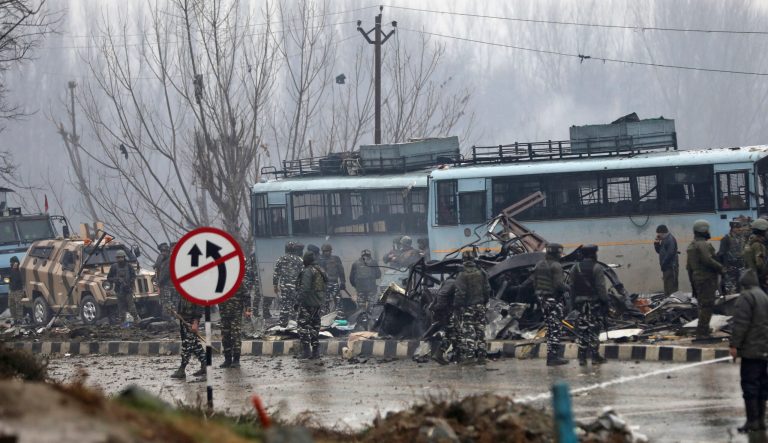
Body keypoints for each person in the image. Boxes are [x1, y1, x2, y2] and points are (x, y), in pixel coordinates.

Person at [730, 269, 768, 434]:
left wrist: (734, 345)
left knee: (750, 385)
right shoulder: (763, 296)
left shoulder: (746, 297)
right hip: (764, 349)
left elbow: (740, 324)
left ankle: (751, 421)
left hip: (751, 350)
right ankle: (760, 421)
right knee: (762, 386)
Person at [519, 243, 569, 366]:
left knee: (550, 327)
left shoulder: (539, 264)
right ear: (557, 253)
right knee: (555, 329)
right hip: (553, 299)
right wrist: (570, 288)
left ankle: (552, 356)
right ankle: (553, 357)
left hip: (542, 299)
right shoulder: (556, 266)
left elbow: (533, 282)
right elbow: (559, 285)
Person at [570, 244, 609, 366]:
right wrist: (605, 302)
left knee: (582, 330)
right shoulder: (597, 268)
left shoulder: (575, 268)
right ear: (593, 254)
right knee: (594, 329)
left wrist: (572, 304)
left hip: (579, 304)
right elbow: (601, 288)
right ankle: (594, 356)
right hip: (593, 303)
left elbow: (572, 288)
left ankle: (582, 357)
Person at [686, 219, 724, 339]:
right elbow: (708, 260)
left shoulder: (692, 245)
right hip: (706, 278)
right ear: (703, 230)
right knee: (707, 305)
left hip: (697, 278)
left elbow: (689, 268)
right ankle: (703, 333)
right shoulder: (702, 244)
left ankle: (703, 330)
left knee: (702, 305)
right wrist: (721, 268)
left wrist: (692, 283)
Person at [453, 250, 491, 364]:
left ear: (463, 259)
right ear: (473, 259)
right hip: (480, 305)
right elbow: (487, 289)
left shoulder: (462, 274)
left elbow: (460, 293)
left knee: (468, 332)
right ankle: (482, 357)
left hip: (468, 307)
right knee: (480, 331)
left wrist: (457, 306)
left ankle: (469, 357)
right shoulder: (481, 272)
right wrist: (485, 302)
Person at [219, 252, 252, 369]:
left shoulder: (238, 282)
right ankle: (227, 359)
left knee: (235, 336)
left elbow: (246, 296)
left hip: (235, 314)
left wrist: (247, 310)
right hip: (224, 314)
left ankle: (236, 359)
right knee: (225, 336)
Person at [296, 251, 327, 359]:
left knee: (302, 326)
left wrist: (298, 302)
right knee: (315, 326)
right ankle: (316, 351)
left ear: (306, 260)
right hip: (318, 303)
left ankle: (306, 351)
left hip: (307, 303)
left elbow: (305, 289)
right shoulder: (320, 269)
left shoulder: (308, 271)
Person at [171, 292, 206, 379]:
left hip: (191, 322)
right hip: (184, 321)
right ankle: (205, 365)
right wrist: (178, 313)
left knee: (187, 346)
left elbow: (199, 304)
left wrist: (195, 322)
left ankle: (182, 369)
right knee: (195, 345)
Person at [272, 242, 303, 326]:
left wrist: (275, 285)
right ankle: (294, 322)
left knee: (285, 304)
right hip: (296, 286)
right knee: (295, 304)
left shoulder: (281, 259)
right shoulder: (300, 260)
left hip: (284, 286)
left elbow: (276, 273)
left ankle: (283, 323)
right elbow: (303, 274)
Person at [349, 249, 381, 329]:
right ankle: (371, 326)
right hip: (371, 289)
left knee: (361, 308)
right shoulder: (373, 262)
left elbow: (351, 278)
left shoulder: (355, 263)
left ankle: (361, 326)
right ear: (369, 255)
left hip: (360, 289)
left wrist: (356, 286)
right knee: (371, 308)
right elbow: (378, 275)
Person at [107, 250, 139, 326]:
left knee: (131, 306)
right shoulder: (114, 267)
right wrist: (116, 280)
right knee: (121, 307)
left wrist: (129, 283)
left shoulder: (129, 266)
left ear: (124, 257)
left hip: (128, 289)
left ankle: (136, 319)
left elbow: (133, 276)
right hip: (119, 290)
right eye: (118, 258)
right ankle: (122, 322)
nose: (120, 259)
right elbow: (109, 278)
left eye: (121, 257)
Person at [718, 218, 749, 295]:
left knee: (741, 289)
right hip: (730, 269)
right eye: (737, 228)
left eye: (740, 227)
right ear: (732, 229)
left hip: (741, 267)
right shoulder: (726, 239)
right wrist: (725, 267)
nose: (740, 229)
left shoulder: (742, 238)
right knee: (731, 291)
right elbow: (722, 254)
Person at [431, 278, 457, 365]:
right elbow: (442, 295)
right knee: (452, 333)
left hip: (448, 311)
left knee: (454, 333)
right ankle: (438, 354)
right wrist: (441, 308)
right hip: (447, 312)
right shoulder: (452, 283)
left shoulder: (451, 282)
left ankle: (442, 354)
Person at [319, 243, 347, 319]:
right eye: (325, 251)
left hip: (334, 283)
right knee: (325, 302)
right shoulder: (319, 259)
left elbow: (341, 271)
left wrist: (343, 282)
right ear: (322, 251)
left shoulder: (336, 259)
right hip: (324, 284)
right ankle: (324, 318)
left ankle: (340, 317)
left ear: (331, 251)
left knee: (338, 301)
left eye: (328, 251)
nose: (326, 252)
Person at [653, 225, 679, 296]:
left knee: (671, 288)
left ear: (662, 232)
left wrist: (664, 265)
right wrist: (656, 243)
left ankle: (673, 305)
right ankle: (668, 303)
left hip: (670, 267)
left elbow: (670, 254)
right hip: (666, 267)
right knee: (667, 288)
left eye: (658, 233)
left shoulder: (670, 239)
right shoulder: (664, 240)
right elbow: (660, 251)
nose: (657, 235)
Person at [744, 218, 768, 291]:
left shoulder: (749, 243)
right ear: (762, 231)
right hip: (758, 280)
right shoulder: (758, 245)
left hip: (750, 277)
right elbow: (760, 264)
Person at [154, 243, 175, 319]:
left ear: (168, 252)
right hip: (166, 284)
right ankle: (172, 316)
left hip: (168, 284)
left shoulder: (169, 261)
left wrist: (160, 282)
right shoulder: (163, 261)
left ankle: (168, 317)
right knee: (167, 301)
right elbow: (158, 268)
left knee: (166, 302)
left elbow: (165, 274)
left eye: (164, 251)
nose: (163, 253)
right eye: (161, 251)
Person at [8, 256, 24, 325]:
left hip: (19, 290)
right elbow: (9, 279)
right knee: (11, 305)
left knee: (19, 305)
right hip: (12, 290)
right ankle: (14, 319)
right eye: (11, 263)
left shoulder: (20, 270)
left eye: (13, 262)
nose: (12, 264)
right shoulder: (11, 270)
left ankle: (19, 319)